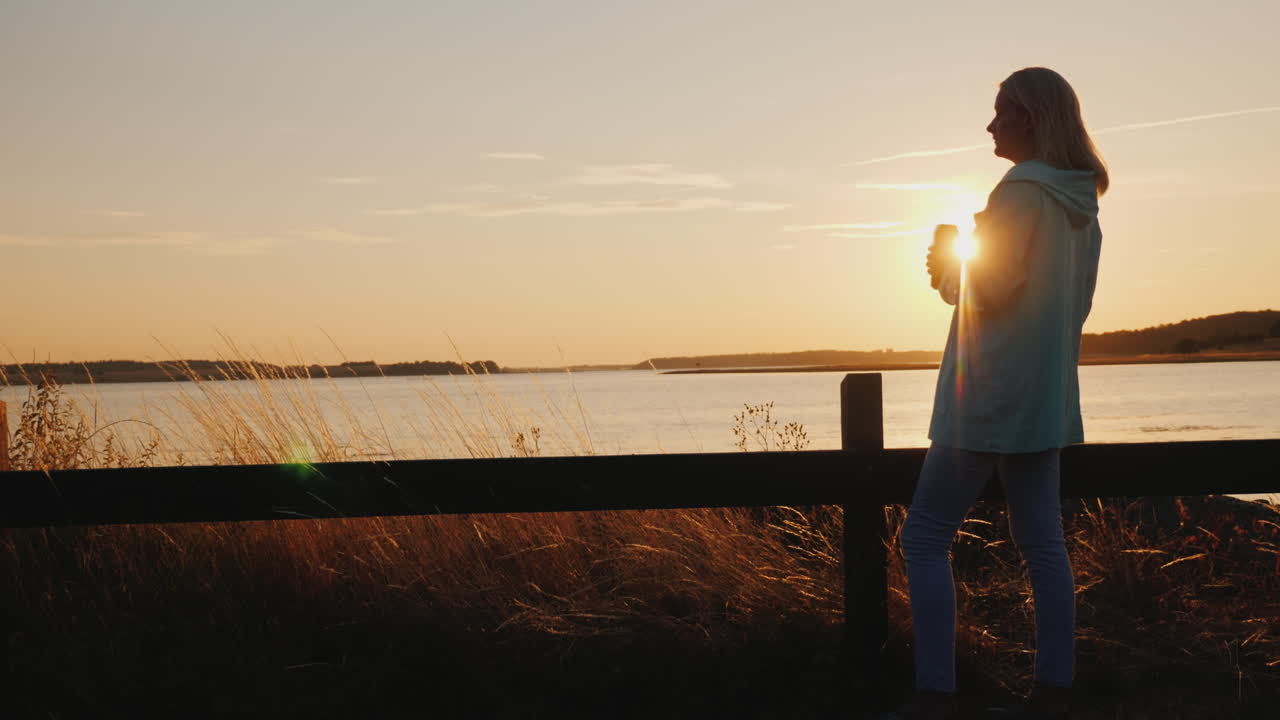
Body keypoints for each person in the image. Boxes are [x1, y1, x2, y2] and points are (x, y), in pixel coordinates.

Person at [889, 67, 1108, 720]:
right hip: (1044, 398)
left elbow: (987, 293)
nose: (990, 126)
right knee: (1044, 546)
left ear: (1030, 119)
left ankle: (935, 696)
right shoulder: (1081, 206)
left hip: (985, 394)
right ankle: (1054, 693)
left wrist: (948, 269)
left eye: (999, 113)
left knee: (923, 539)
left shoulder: (1019, 191)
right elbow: (1074, 307)